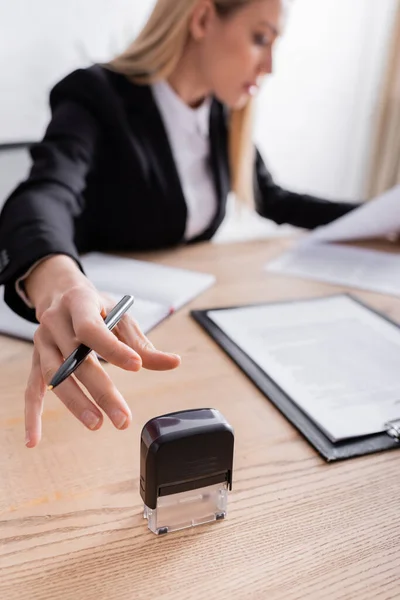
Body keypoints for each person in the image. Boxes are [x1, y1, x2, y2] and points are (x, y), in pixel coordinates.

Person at [0, 0, 357, 448]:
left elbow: (275, 198)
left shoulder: (220, 110)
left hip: (189, 340)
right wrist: (58, 279)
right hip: (99, 349)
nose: (270, 66)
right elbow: (44, 193)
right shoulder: (97, 95)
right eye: (260, 38)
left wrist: (377, 218)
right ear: (204, 18)